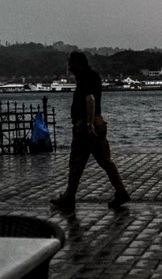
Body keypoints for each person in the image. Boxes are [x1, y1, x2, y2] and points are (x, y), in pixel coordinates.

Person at [50, 51, 130, 211]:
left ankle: (69, 197)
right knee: (106, 161)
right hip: (99, 123)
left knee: (76, 163)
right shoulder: (94, 76)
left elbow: (90, 99)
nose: (69, 67)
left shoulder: (84, 78)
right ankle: (121, 192)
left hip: (86, 126)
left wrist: (88, 125)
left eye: (70, 63)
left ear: (77, 64)